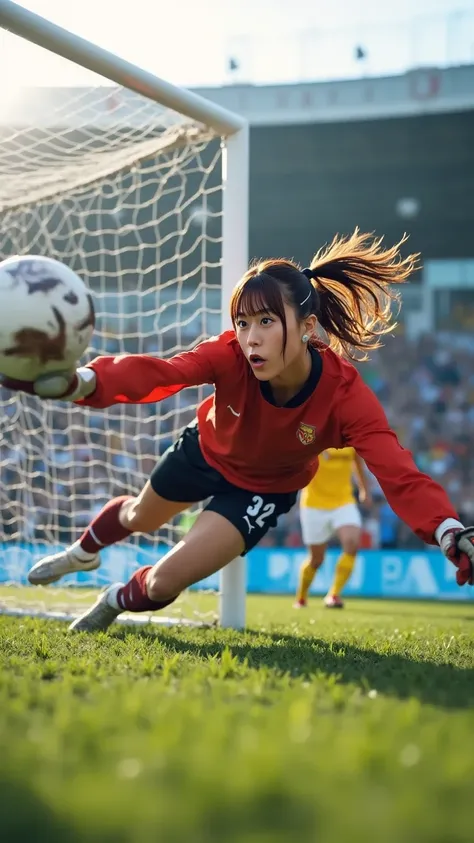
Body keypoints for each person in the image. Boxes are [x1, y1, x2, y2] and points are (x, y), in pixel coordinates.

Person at [3, 230, 473, 633]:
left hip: (262, 489)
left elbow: (397, 470)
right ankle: (85, 552)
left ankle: (111, 602)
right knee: (136, 519)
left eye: (267, 322)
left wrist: (447, 528)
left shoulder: (347, 395)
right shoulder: (228, 353)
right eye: (243, 322)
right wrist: (84, 382)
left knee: (165, 583)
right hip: (205, 450)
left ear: (309, 327)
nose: (250, 338)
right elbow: (163, 372)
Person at [295, 446, 372, 609]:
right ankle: (301, 597)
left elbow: (357, 463)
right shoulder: (316, 435)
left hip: (343, 501)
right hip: (313, 504)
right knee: (316, 560)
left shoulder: (350, 437)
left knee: (352, 543)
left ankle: (334, 594)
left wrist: (364, 489)